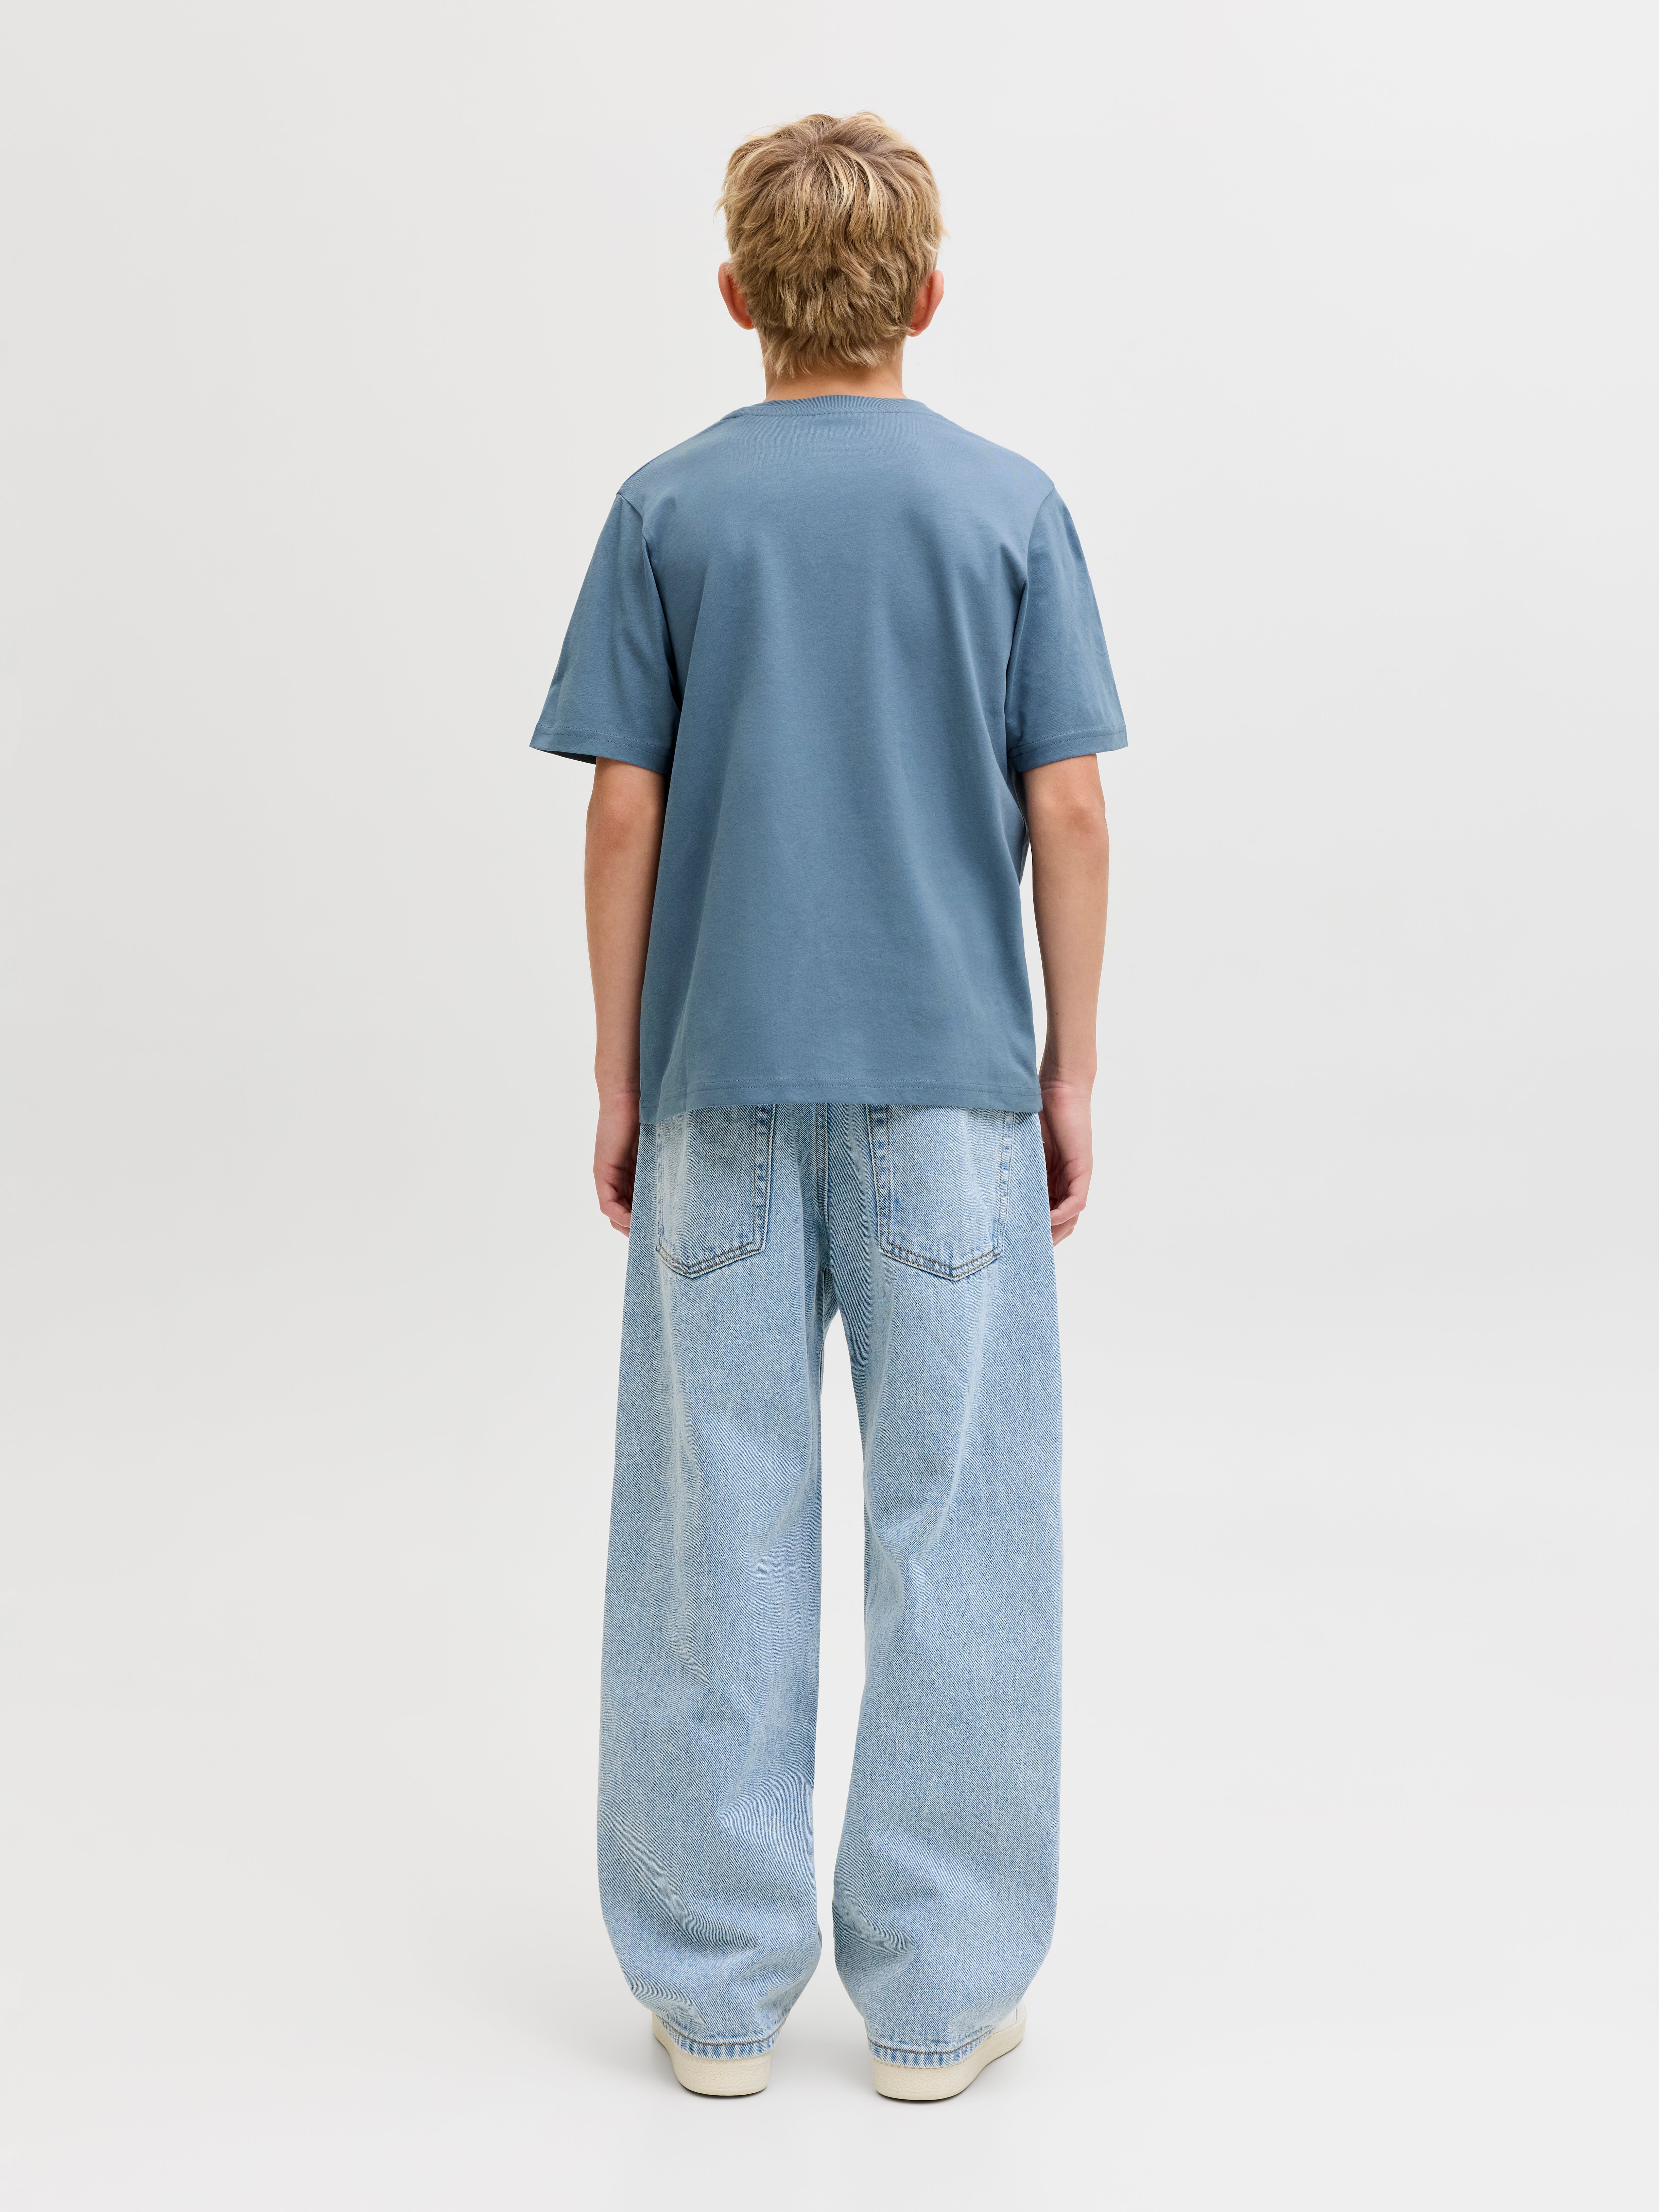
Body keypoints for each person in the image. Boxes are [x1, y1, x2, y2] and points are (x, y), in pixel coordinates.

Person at [531, 112, 1124, 2102]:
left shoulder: (667, 507)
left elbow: (624, 810)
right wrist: (1068, 1066)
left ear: (736, 295)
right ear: (927, 296)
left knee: (717, 1534)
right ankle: (938, 2001)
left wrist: (619, 1067)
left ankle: (712, 1994)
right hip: (949, 1097)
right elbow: (1068, 808)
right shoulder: (1007, 506)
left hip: (719, 1083)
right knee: (960, 1534)